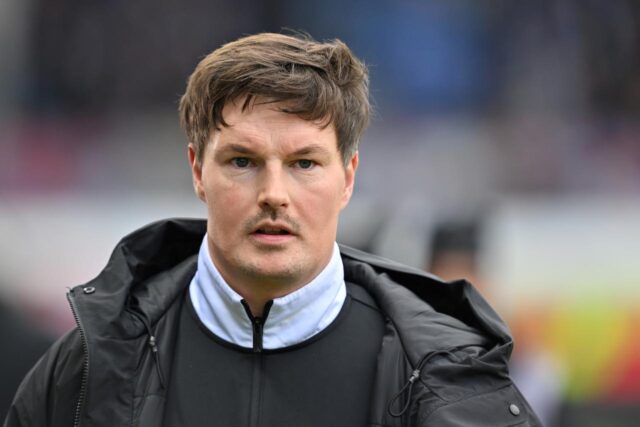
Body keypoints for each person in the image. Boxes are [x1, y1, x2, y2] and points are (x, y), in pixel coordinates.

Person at [4, 33, 541, 427]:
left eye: (305, 163)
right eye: (242, 161)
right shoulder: (87, 368)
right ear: (198, 171)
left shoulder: (449, 379)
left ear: (348, 178)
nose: (274, 194)